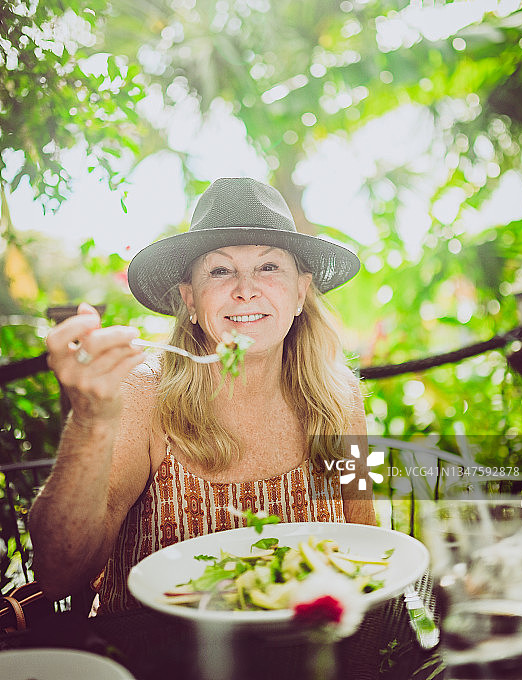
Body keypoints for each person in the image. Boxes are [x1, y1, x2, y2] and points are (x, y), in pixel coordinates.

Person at [29, 177, 376, 615]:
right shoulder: (144, 395)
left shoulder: (339, 399)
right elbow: (59, 573)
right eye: (220, 270)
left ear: (300, 293)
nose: (246, 289)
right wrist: (90, 421)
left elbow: (366, 546)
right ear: (190, 300)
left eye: (269, 267)